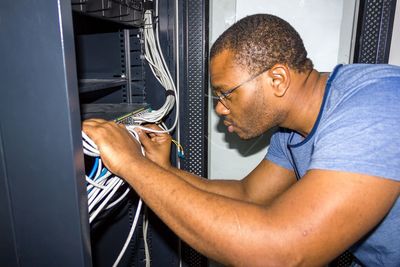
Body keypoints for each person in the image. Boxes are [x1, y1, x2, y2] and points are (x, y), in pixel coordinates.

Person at [83, 14, 400, 267]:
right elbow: (248, 195)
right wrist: (162, 169)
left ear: (276, 79)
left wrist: (131, 164)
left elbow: (282, 254)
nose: (219, 108)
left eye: (225, 93)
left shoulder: (375, 105)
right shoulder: (291, 131)